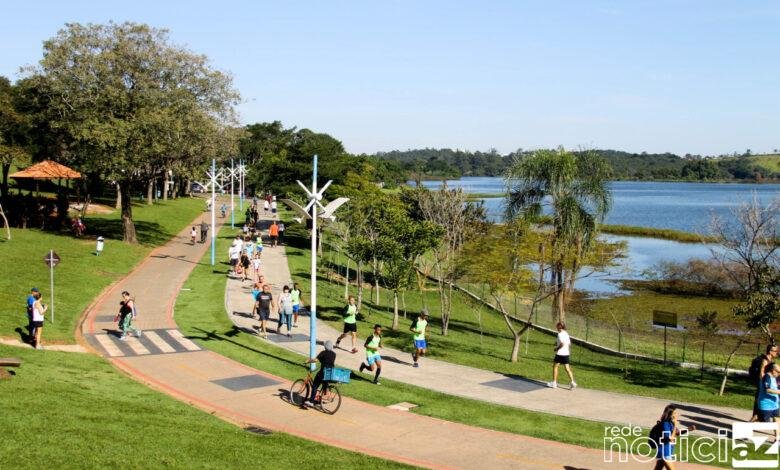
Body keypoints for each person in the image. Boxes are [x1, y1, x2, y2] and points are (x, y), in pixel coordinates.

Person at [303, 340, 337, 407]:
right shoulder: (334, 354)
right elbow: (327, 360)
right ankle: (322, 398)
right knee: (325, 382)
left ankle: (311, 401)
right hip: (330, 373)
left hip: (323, 372)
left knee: (315, 385)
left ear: (325, 346)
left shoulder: (323, 352)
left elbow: (316, 360)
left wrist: (308, 361)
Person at [750, 344, 779, 421]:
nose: (777, 353)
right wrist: (763, 386)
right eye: (776, 351)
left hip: (764, 385)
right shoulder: (765, 361)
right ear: (770, 351)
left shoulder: (770, 360)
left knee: (758, 410)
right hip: (762, 386)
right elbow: (761, 374)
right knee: (758, 409)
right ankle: (749, 424)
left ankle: (752, 422)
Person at [547, 322, 576, 390]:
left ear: (560, 326)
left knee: (555, 366)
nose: (556, 327)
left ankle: (554, 383)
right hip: (566, 353)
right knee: (567, 368)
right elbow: (569, 344)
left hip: (560, 353)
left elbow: (562, 344)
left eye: (557, 326)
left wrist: (556, 348)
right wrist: (557, 342)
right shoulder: (566, 333)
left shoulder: (560, 334)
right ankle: (573, 382)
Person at [759, 362, 780, 441]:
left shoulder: (774, 378)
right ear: (773, 370)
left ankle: (777, 439)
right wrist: (779, 392)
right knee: (763, 422)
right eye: (778, 372)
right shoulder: (767, 377)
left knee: (777, 419)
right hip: (766, 404)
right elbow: (767, 390)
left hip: (774, 404)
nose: (779, 374)